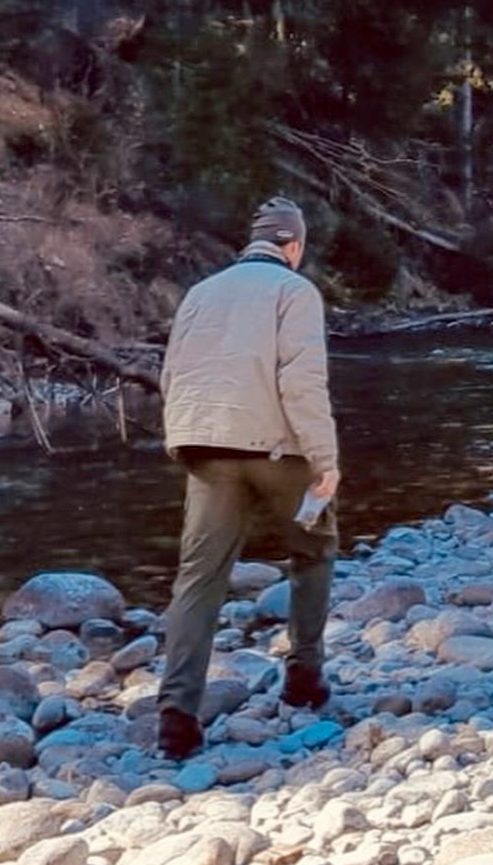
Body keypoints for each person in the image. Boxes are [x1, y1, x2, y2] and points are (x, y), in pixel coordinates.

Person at [155, 196, 341, 760]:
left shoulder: (200, 293)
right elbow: (302, 381)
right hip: (279, 450)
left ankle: (176, 718)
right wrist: (325, 459)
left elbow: (171, 374)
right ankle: (303, 679)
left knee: (199, 579)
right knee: (314, 550)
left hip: (205, 447)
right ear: (294, 246)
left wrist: (184, 439)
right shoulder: (296, 291)